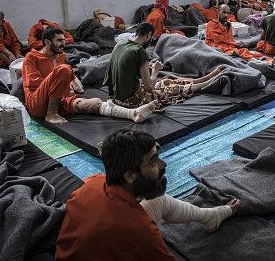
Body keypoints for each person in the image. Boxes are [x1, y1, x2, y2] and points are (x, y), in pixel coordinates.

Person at [55, 129, 240, 260]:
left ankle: (210, 217)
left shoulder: (93, 183)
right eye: (153, 161)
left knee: (156, 200)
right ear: (129, 175)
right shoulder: (141, 232)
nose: (163, 164)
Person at [22, 26, 156, 124]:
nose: (64, 43)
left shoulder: (61, 56)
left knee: (93, 103)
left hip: (59, 99)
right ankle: (51, 114)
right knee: (65, 69)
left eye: (63, 40)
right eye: (59, 41)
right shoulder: (31, 57)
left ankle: (133, 114)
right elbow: (34, 83)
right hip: (38, 102)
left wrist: (67, 83)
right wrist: (61, 80)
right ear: (47, 42)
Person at [105, 22, 229, 108]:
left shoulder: (120, 44)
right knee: (170, 88)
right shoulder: (140, 52)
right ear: (148, 35)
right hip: (132, 99)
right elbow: (149, 88)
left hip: (116, 96)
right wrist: (155, 70)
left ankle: (200, 79)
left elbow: (123, 68)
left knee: (166, 80)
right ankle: (205, 83)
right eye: (151, 37)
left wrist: (147, 70)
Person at [206, 4, 275, 64]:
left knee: (250, 52)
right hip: (216, 46)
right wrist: (234, 43)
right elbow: (218, 39)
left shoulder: (228, 24)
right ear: (218, 12)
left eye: (228, 13)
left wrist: (234, 43)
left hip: (228, 46)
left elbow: (229, 39)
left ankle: (268, 60)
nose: (226, 15)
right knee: (241, 52)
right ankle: (263, 63)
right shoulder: (211, 24)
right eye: (223, 12)